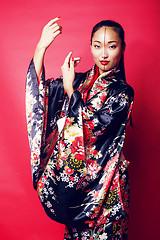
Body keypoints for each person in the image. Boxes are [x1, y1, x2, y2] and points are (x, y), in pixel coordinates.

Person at [26, 17, 134, 240]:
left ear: (122, 48)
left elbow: (93, 126)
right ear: (91, 46)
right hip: (79, 193)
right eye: (97, 46)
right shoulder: (80, 82)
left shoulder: (122, 92)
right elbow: (40, 95)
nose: (103, 54)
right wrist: (41, 47)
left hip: (108, 190)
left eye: (111, 46)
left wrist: (69, 88)